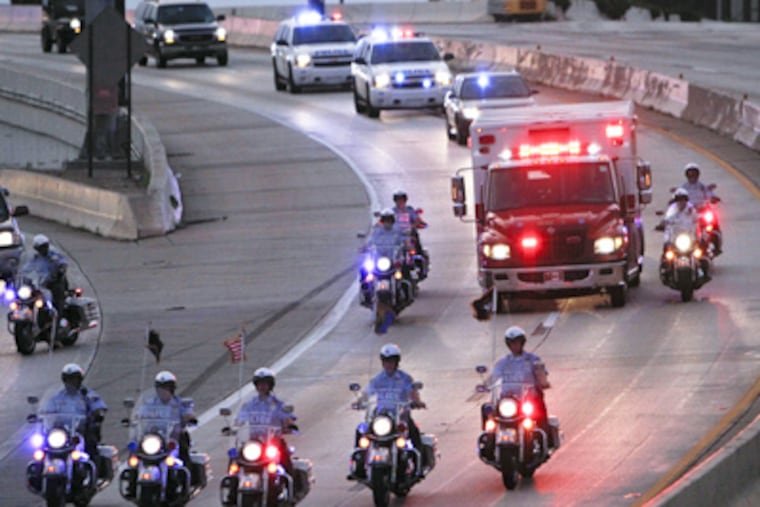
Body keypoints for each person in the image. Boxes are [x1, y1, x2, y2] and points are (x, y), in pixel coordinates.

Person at [482, 327, 551, 438]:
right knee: (487, 409)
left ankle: (545, 437)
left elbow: (541, 374)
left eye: (517, 342)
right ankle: (489, 439)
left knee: (538, 409)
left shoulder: (532, 359)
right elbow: (493, 376)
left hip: (528, 398)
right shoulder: (503, 362)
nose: (514, 345)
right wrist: (485, 385)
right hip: (508, 400)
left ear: (522, 343)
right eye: (511, 343)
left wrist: (543, 382)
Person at [359, 343, 426, 456]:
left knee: (413, 432)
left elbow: (412, 392)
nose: (388, 364)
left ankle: (419, 460)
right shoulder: (378, 379)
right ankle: (359, 460)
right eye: (385, 361)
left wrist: (417, 402)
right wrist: (359, 401)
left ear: (396, 362)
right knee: (362, 430)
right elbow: (368, 391)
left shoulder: (405, 378)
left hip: (400, 414)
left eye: (391, 361)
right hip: (381, 415)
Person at [42, 363, 108, 474]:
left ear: (79, 379)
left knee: (90, 443)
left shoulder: (88, 395)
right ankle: (39, 471)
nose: (71, 382)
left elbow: (99, 407)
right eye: (68, 379)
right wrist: (41, 416)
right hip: (61, 432)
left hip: (80, 430)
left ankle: (93, 471)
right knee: (41, 446)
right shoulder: (58, 397)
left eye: (74, 379)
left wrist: (98, 414)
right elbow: (47, 410)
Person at [234, 367, 297, 476]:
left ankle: (291, 488)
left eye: (264, 383)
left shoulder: (278, 404)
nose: (262, 386)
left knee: (286, 463)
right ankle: (232, 487)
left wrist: (290, 425)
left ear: (270, 385)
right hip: (254, 444)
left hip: (274, 442)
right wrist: (234, 427)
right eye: (259, 384)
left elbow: (287, 418)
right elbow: (240, 419)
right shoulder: (250, 404)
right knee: (235, 461)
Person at [136, 371, 197, 473]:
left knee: (183, 448)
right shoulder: (151, 403)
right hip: (154, 436)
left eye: (166, 388)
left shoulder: (180, 403)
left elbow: (188, 413)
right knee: (135, 451)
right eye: (160, 388)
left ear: (172, 389)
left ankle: (186, 474)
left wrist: (188, 418)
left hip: (173, 437)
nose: (163, 391)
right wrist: (136, 418)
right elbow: (140, 413)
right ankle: (132, 480)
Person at [680, 162, 722, 255]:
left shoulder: (703, 186)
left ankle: (716, 245)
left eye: (694, 173)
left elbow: (709, 194)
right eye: (690, 173)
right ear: (686, 175)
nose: (692, 176)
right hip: (690, 213)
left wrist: (713, 198)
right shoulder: (683, 188)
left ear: (698, 174)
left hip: (703, 211)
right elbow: (678, 197)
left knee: (714, 225)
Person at [23, 234, 70, 316]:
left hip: (55, 281)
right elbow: (27, 267)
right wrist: (22, 273)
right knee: (29, 294)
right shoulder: (37, 257)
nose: (43, 249)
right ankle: (29, 313)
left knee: (57, 295)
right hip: (41, 282)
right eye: (40, 247)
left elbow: (63, 262)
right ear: (36, 248)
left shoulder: (54, 255)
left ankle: (58, 316)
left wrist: (60, 268)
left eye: (45, 246)